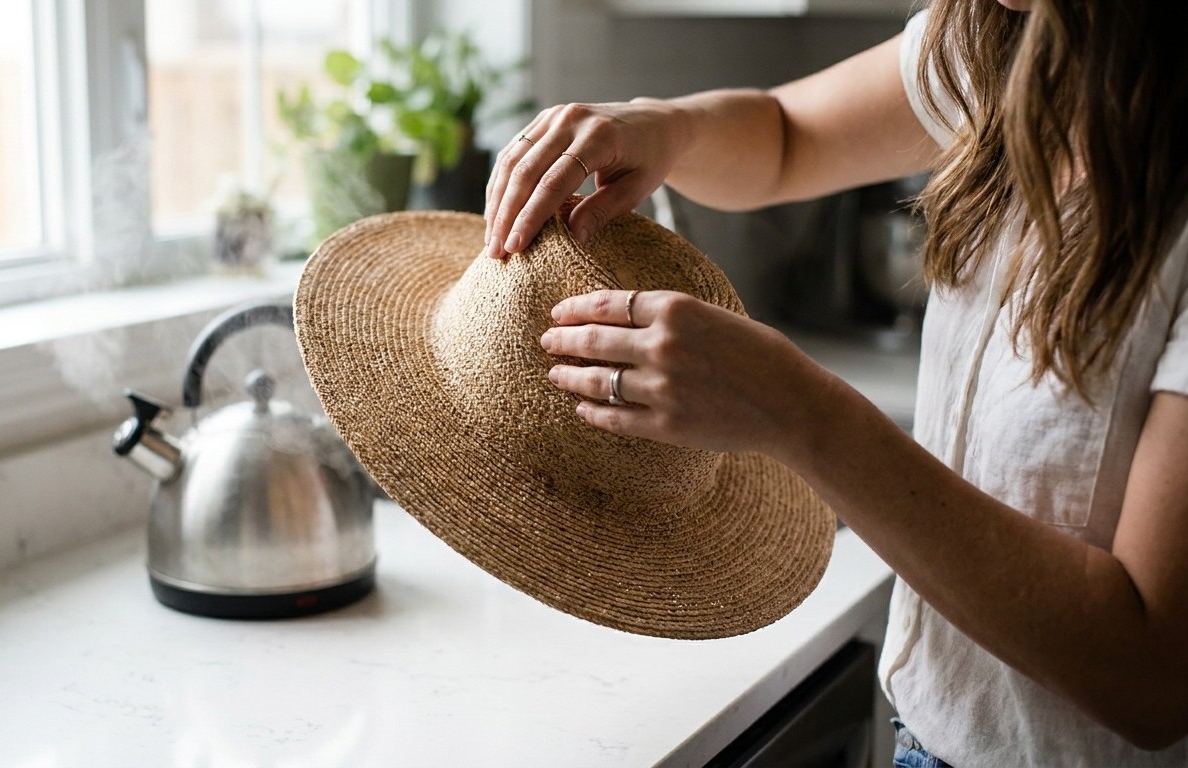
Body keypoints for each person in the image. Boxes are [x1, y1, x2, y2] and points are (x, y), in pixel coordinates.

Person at [481, 0, 1188, 765]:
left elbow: (1150, 680)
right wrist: (665, 124)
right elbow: (788, 137)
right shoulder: (994, 37)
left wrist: (801, 413)